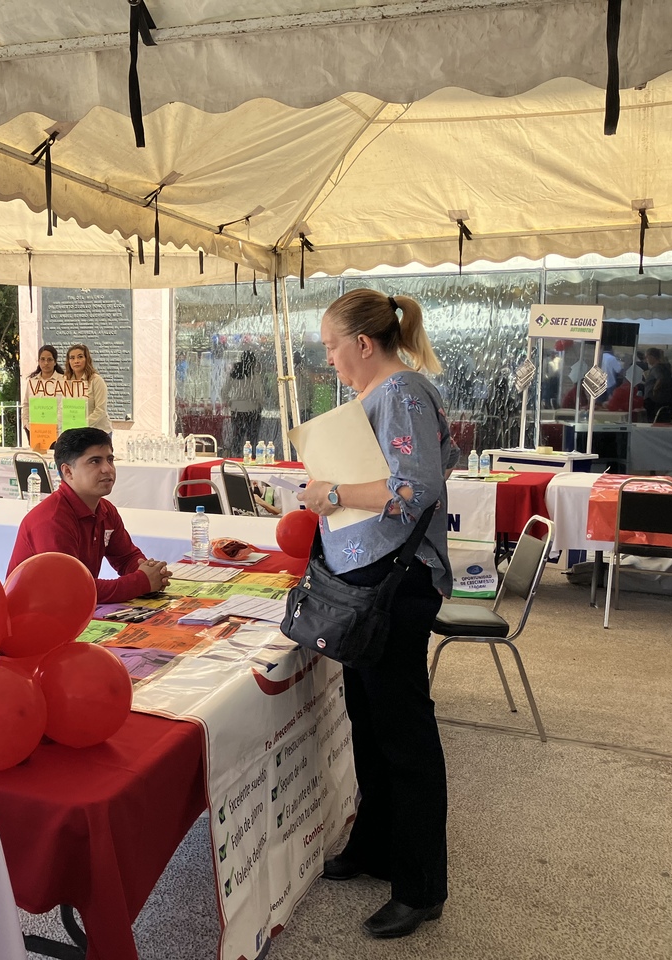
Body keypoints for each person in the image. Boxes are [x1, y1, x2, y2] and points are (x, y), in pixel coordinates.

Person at [296, 289, 456, 940]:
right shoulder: (379, 397)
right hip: (368, 579)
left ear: (364, 343)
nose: (329, 359)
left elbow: (416, 485)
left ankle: (421, 886)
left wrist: (330, 492)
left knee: (403, 732)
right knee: (369, 720)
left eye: (333, 346)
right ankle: (376, 847)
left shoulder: (403, 394)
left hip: (396, 583)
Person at [7, 427, 170, 603]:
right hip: (35, 618)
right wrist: (140, 582)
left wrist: (151, 573)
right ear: (68, 471)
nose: (107, 469)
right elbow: (74, 589)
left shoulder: (105, 509)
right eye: (94, 461)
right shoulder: (52, 520)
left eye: (110, 459)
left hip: (74, 612)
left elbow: (126, 558)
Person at [222, 350, 266, 454]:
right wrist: (261, 404)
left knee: (237, 436)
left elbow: (224, 391)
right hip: (252, 410)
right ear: (253, 362)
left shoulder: (233, 373)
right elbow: (259, 393)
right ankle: (251, 457)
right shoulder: (254, 375)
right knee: (252, 438)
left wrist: (230, 402)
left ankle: (236, 456)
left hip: (236, 409)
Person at [64, 344, 111, 433]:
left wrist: (81, 424)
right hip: (76, 432)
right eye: (72, 358)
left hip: (98, 432)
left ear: (87, 359)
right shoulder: (66, 381)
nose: (76, 361)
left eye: (80, 357)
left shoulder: (96, 380)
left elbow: (100, 410)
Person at [22, 344, 64, 440]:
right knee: (37, 455)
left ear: (55, 362)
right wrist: (26, 423)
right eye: (42, 359)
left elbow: (65, 406)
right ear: (39, 361)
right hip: (36, 431)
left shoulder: (64, 381)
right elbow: (26, 404)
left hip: (57, 432)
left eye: (49, 359)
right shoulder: (32, 382)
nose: (46, 363)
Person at [642, 348, 672, 422]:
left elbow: (660, 378)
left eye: (647, 357)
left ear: (651, 357)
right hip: (663, 398)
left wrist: (655, 389)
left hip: (653, 399)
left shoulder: (656, 368)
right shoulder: (664, 367)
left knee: (652, 420)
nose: (646, 359)